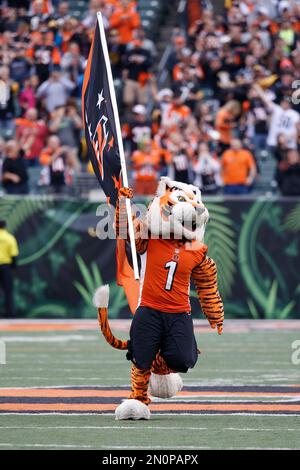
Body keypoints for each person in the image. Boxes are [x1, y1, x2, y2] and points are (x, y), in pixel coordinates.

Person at [0, 220, 19, 318]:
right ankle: (9, 313)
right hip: (5, 267)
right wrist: (13, 269)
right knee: (8, 290)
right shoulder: (9, 238)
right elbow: (14, 255)